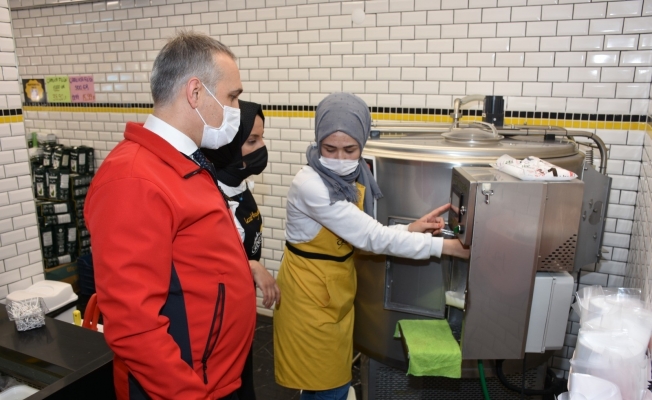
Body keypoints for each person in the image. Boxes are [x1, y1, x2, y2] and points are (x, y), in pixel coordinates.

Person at [85, 31, 255, 400]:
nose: (236, 110)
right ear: (195, 93)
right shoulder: (133, 179)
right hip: (187, 387)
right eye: (231, 97)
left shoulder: (182, 161)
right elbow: (133, 325)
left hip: (218, 376)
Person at [273, 92, 470, 400]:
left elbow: (362, 231)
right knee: (326, 385)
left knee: (327, 381)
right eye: (329, 148)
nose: (339, 159)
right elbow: (372, 237)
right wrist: (447, 248)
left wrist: (411, 228)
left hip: (333, 291)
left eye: (350, 149)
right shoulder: (311, 184)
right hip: (308, 297)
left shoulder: (352, 177)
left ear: (362, 143)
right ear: (317, 142)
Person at [202, 100, 280, 400]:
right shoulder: (211, 194)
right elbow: (206, 260)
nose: (262, 147)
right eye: (252, 140)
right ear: (228, 146)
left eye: (262, 137)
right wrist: (250, 266)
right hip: (217, 322)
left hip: (239, 311)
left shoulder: (238, 184)